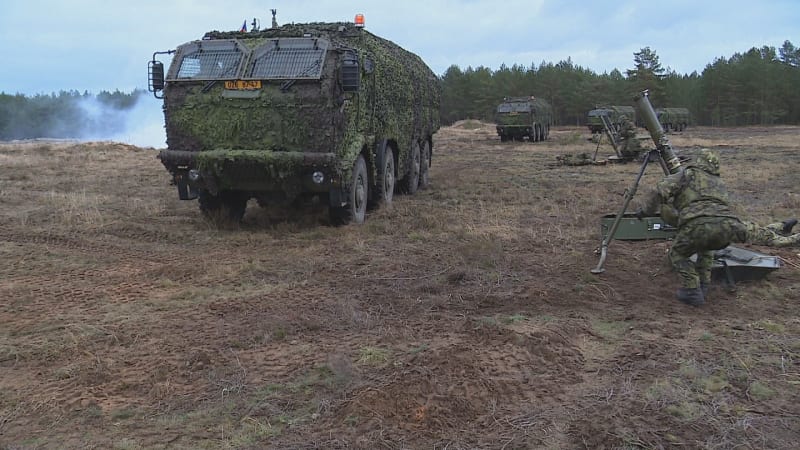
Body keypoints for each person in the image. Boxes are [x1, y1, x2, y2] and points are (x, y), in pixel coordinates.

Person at [637, 148, 747, 306]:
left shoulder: (688, 174)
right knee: (706, 249)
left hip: (696, 223)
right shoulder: (718, 183)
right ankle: (703, 287)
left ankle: (691, 290)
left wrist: (646, 211)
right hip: (723, 226)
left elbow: (659, 191)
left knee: (677, 254)